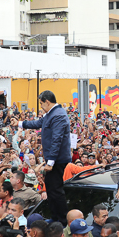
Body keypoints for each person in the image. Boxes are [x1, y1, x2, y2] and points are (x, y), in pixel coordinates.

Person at [20, 90, 71, 221]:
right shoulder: (51, 114)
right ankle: (56, 217)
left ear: (47, 102)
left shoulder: (58, 115)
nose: (41, 107)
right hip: (54, 159)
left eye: (41, 104)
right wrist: (20, 124)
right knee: (51, 188)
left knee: (55, 191)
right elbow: (37, 123)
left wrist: (50, 162)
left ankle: (62, 220)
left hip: (58, 160)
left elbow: (57, 139)